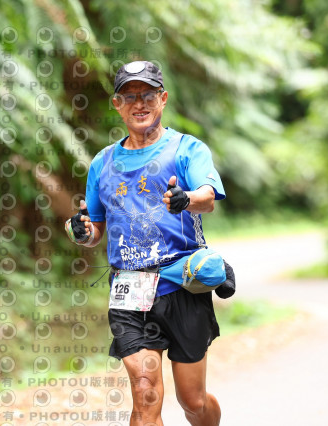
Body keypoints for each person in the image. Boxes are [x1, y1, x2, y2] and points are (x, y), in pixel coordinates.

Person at [65, 60, 235, 425]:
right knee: (145, 394)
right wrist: (82, 231)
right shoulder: (103, 163)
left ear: (163, 99)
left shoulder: (187, 149)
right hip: (130, 290)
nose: (139, 104)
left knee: (193, 402)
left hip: (182, 285)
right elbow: (94, 229)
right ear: (117, 104)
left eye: (147, 95)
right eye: (129, 97)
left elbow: (207, 197)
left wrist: (185, 199)